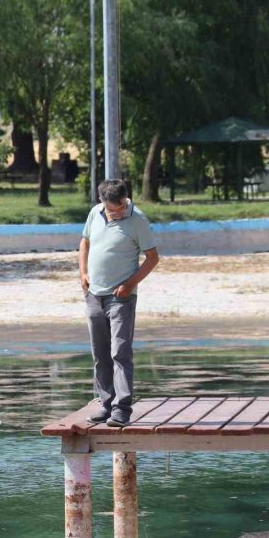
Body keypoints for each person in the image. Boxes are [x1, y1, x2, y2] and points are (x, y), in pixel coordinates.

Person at [79, 179, 160, 427]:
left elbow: (152, 258)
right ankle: (106, 404)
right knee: (100, 354)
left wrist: (129, 285)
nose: (119, 212)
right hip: (94, 295)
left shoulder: (138, 220)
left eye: (122, 206)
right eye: (113, 209)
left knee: (120, 353)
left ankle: (122, 409)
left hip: (121, 298)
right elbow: (85, 242)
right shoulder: (95, 213)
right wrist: (82, 273)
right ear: (102, 203)